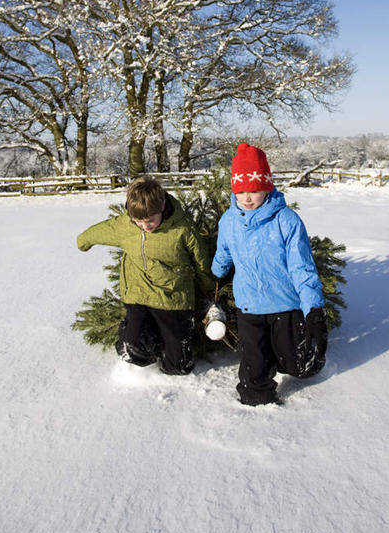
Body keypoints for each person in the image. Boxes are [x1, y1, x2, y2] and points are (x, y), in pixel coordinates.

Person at [212, 142, 328, 405]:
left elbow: (302, 267)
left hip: (285, 305)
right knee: (254, 365)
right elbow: (225, 250)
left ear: (266, 186)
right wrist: (216, 270)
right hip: (249, 305)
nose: (247, 197)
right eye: (241, 191)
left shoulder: (286, 220)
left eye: (253, 190)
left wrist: (314, 309)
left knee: (298, 366)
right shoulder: (229, 220)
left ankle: (298, 358)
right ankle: (257, 395)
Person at [77, 177, 214, 375]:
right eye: (139, 221)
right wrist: (83, 241)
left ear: (163, 206)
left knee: (179, 366)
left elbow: (200, 259)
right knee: (132, 348)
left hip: (172, 297)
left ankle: (171, 356)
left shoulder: (182, 229)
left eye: (150, 220)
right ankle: (138, 342)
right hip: (138, 294)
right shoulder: (125, 226)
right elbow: (100, 231)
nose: (145, 225)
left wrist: (208, 284)